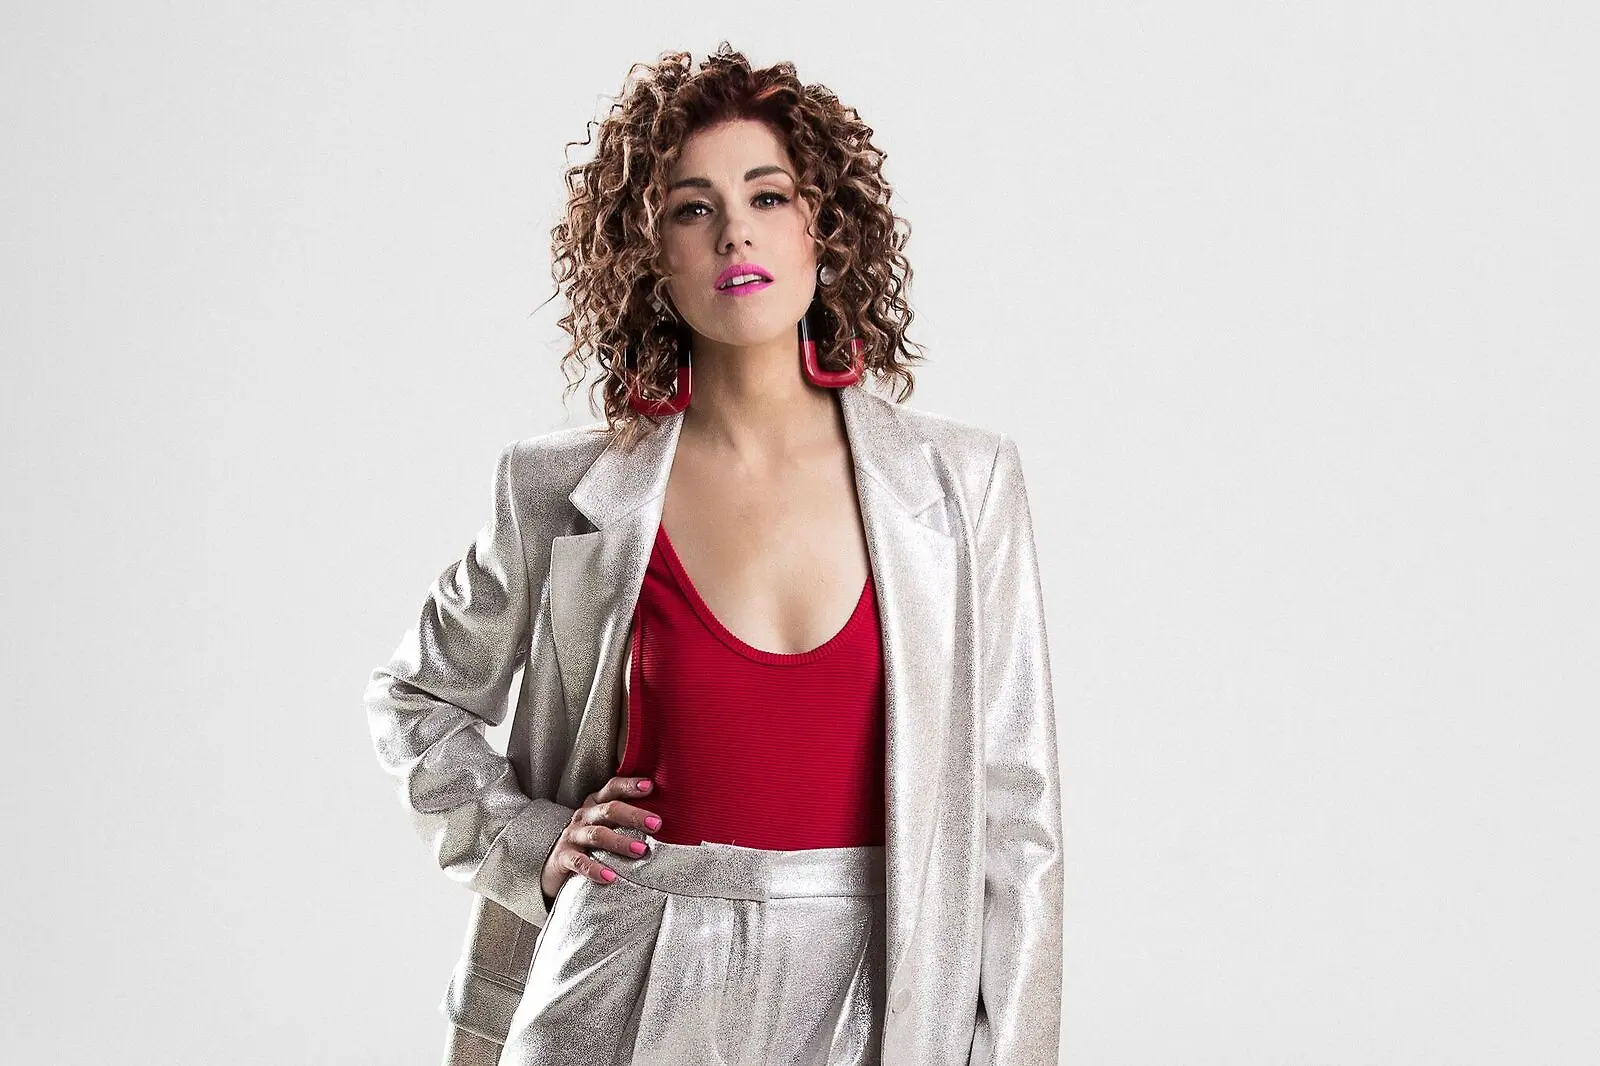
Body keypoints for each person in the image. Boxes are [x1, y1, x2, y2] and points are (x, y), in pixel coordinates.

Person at [364, 44, 1062, 1066]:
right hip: (621, 972)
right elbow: (417, 698)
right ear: (648, 252)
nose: (736, 230)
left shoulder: (962, 486)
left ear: (827, 227)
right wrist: (528, 840)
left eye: (768, 196)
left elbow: (1016, 816)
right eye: (693, 208)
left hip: (874, 989)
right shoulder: (561, 487)